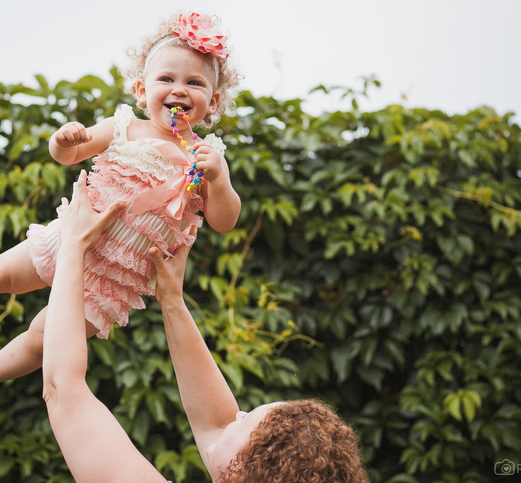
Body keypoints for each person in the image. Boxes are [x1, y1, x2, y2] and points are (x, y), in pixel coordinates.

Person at [0, 12, 241, 365]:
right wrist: (62, 141)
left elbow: (224, 221)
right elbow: (70, 155)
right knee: (2, 273)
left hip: (116, 277)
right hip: (70, 236)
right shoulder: (123, 128)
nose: (179, 89)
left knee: (47, 340)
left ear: (213, 101)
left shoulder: (207, 156)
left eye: (195, 83)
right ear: (142, 90)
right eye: (166, 78)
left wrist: (219, 179)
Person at [40, 171, 368, 483]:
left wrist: (74, 245)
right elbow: (216, 425)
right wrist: (171, 300)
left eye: (246, 422)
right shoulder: (242, 469)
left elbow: (63, 390)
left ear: (244, 471)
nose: (237, 416)